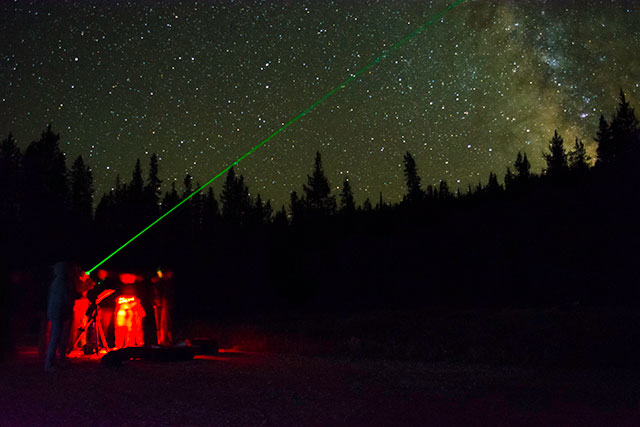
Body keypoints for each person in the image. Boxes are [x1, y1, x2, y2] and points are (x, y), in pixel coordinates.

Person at [44, 261, 82, 372]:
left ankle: (58, 360)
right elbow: (67, 298)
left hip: (57, 313)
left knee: (59, 337)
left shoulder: (57, 282)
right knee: (56, 338)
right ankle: (49, 364)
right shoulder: (63, 283)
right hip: (60, 313)